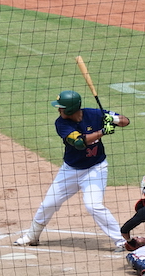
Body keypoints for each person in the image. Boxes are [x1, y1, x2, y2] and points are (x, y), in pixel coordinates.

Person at [13, 89, 131, 250]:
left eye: (61, 107)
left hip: (95, 169)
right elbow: (80, 142)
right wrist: (103, 131)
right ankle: (32, 236)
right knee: (49, 203)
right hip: (70, 170)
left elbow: (126, 121)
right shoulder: (61, 123)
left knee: (93, 205)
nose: (58, 109)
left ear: (70, 108)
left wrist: (114, 119)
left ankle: (122, 242)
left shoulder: (95, 114)